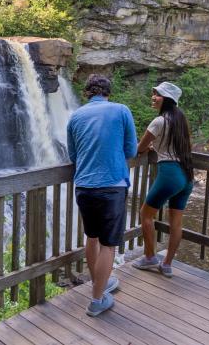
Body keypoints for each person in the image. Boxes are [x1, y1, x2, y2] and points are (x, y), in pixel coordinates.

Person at [67, 74, 137, 316]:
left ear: (87, 92)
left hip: (84, 186)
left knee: (92, 237)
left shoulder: (75, 116)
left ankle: (100, 281)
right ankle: (97, 299)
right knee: (109, 244)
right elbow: (131, 149)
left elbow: (73, 156)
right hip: (112, 186)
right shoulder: (121, 111)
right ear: (108, 92)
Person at [132, 81, 194, 278]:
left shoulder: (159, 122)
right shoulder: (180, 120)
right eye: (154, 93)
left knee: (146, 214)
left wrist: (148, 148)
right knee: (175, 222)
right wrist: (157, 147)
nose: (153, 97)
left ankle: (150, 256)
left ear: (166, 99)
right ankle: (166, 264)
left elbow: (140, 148)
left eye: (157, 94)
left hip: (169, 173)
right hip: (186, 175)